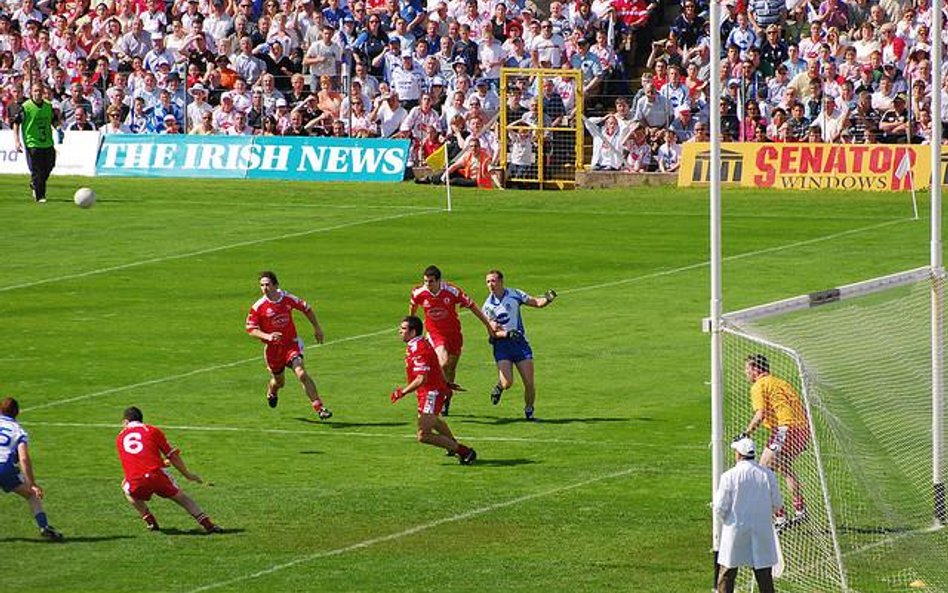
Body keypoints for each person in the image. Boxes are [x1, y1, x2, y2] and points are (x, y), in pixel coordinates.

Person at [116, 406, 223, 533]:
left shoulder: (120, 438)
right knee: (182, 498)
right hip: (157, 475)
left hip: (136, 478)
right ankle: (208, 524)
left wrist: (160, 463)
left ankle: (149, 520)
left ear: (125, 422)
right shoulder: (152, 430)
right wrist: (187, 474)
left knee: (126, 487)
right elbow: (173, 456)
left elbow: (137, 459)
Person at [409, 265, 495, 416]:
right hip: (435, 334)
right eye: (425, 281)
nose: (427, 285)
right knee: (442, 362)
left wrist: (488, 326)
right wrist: (412, 331)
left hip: (454, 335)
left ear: (438, 281)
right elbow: (413, 312)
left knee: (450, 368)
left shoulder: (451, 290)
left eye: (430, 282)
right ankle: (437, 395)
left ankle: (447, 398)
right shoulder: (419, 293)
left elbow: (472, 306)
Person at [391, 316, 477, 465]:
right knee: (435, 421)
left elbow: (421, 379)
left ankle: (464, 451)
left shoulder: (418, 348)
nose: (400, 331)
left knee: (423, 435)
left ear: (413, 332)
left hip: (430, 393)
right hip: (429, 391)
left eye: (403, 329)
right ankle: (452, 445)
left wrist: (402, 392)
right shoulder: (417, 344)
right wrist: (446, 382)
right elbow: (435, 365)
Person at [246, 271, 332, 419]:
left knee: (302, 373)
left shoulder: (286, 298)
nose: (265, 288)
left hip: (291, 345)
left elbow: (306, 308)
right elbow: (250, 329)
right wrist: (268, 336)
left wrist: (317, 328)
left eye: (267, 284)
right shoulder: (258, 307)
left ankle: (319, 408)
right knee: (279, 382)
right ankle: (272, 391)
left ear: (275, 285)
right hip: (273, 351)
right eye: (262, 285)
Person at [742, 353, 809, 527]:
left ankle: (779, 517)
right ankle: (800, 510)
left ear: (756, 370)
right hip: (803, 429)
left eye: (747, 369)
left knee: (762, 471)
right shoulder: (780, 382)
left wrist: (746, 433)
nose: (745, 373)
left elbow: (760, 414)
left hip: (786, 429)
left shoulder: (759, 385)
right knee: (784, 467)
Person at [481, 270, 556, 421]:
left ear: (501, 281)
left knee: (529, 382)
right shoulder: (488, 306)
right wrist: (507, 334)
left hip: (520, 344)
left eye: (493, 281)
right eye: (488, 282)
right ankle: (499, 387)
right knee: (507, 383)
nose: (490, 285)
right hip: (502, 346)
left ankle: (529, 411)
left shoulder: (514, 294)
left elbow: (535, 302)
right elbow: (492, 333)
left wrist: (548, 299)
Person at [713, 435, 782, 593]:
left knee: (727, 573)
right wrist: (763, 516)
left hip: (735, 529)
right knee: (764, 575)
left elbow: (719, 507)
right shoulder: (767, 475)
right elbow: (777, 503)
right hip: (761, 530)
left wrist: (728, 520)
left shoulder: (729, 476)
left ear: (738, 454)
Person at [0, 397, 64, 541]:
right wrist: (32, 484)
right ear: (18, 413)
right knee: (31, 494)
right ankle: (44, 526)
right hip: (3, 467)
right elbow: (23, 458)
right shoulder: (18, 431)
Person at [12, 82, 58, 204]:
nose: (38, 93)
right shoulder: (26, 107)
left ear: (43, 92)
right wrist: (17, 141)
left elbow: (54, 120)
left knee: (50, 165)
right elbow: (16, 123)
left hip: (47, 142)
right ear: (31, 93)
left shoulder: (48, 106)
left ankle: (35, 184)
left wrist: (59, 129)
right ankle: (40, 195)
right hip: (32, 143)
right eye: (35, 91)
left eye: (39, 91)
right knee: (37, 170)